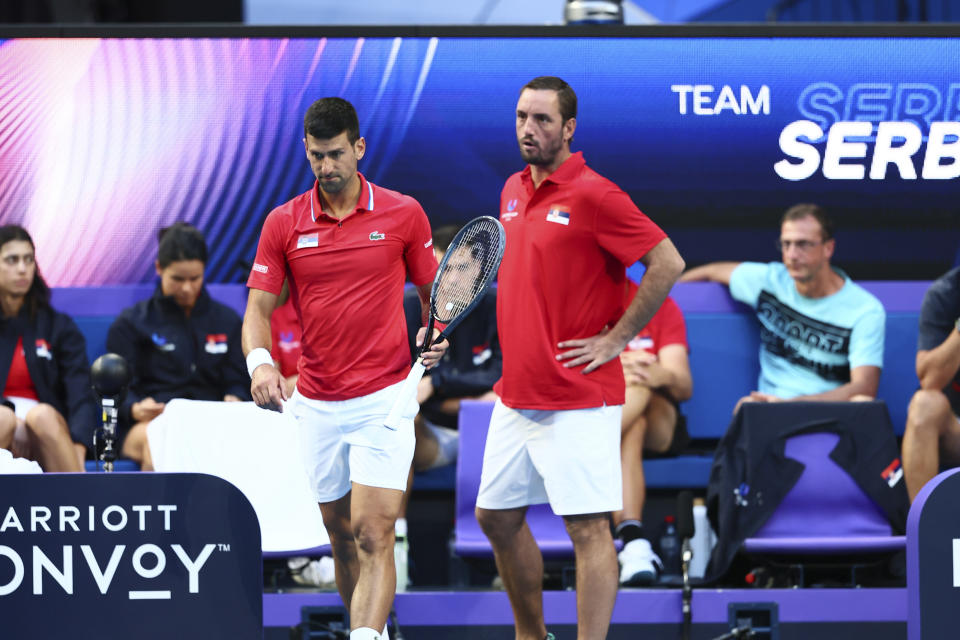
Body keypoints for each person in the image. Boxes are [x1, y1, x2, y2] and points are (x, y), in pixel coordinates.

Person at [475, 76, 684, 640]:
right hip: (516, 393)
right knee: (494, 517)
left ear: (569, 128)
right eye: (521, 117)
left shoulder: (597, 194)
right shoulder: (512, 190)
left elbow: (667, 262)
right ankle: (533, 634)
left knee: (588, 529)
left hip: (577, 395)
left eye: (542, 120)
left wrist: (616, 339)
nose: (528, 129)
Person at [242, 97, 446, 640]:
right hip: (316, 403)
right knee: (340, 535)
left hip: (383, 401)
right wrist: (261, 365)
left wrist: (433, 332)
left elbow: (434, 297)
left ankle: (364, 636)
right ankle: (375, 628)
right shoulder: (283, 222)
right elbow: (258, 309)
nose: (325, 167)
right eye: (315, 157)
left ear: (359, 147)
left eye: (335, 154)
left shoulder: (403, 213)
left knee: (374, 533)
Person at [680, 203, 885, 406]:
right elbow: (711, 271)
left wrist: (791, 405)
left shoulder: (864, 309)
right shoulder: (770, 281)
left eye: (803, 244)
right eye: (786, 244)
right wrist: (664, 299)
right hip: (770, 410)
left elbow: (865, 387)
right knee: (746, 406)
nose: (792, 255)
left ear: (828, 248)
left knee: (862, 402)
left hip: (830, 411)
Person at [106, 223, 250, 471]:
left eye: (195, 279)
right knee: (161, 442)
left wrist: (235, 397)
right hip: (151, 424)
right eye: (177, 279)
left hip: (211, 423)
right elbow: (115, 387)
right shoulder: (132, 322)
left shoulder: (228, 321)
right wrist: (134, 407)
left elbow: (238, 379)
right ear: (159, 268)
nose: (187, 288)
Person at [0, 224, 95, 472]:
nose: (22, 269)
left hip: (46, 426)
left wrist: (79, 442)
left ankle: (80, 504)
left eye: (28, 260)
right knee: (2, 419)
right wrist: (13, 419)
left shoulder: (58, 325)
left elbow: (80, 391)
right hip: (3, 421)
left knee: (41, 416)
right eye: (12, 260)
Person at [614, 285, 692, 586]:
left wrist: (661, 374)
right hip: (615, 416)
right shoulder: (578, 300)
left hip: (661, 420)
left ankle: (579, 448)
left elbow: (684, 385)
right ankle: (633, 542)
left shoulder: (657, 303)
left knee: (640, 382)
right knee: (633, 427)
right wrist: (615, 368)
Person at [902, 266, 960, 502]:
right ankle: (924, 529)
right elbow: (930, 381)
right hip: (955, 429)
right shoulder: (946, 293)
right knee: (924, 404)